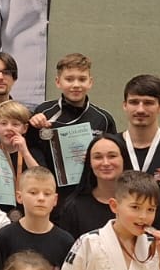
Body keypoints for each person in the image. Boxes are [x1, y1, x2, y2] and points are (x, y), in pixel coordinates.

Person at [27, 53, 117, 187]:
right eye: (69, 79)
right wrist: (32, 124)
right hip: (50, 188)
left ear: (90, 82)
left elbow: (112, 155)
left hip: (90, 189)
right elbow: (31, 147)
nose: (76, 85)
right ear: (58, 82)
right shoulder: (43, 112)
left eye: (82, 79)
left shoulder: (103, 118)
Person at [0, 98, 40, 217]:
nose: (9, 128)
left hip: (29, 214)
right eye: (3, 123)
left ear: (25, 128)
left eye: (15, 124)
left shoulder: (34, 153)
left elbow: (42, 180)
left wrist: (24, 152)